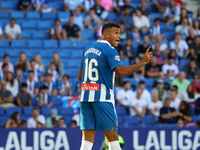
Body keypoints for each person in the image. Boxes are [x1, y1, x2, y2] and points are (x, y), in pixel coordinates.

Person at [78, 23, 152, 150]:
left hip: (85, 98)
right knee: (113, 140)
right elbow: (121, 72)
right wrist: (142, 63)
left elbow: (80, 76)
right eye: (116, 32)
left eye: (119, 33)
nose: (119, 36)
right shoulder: (110, 50)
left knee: (86, 141)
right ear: (106, 34)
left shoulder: (88, 48)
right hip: (102, 98)